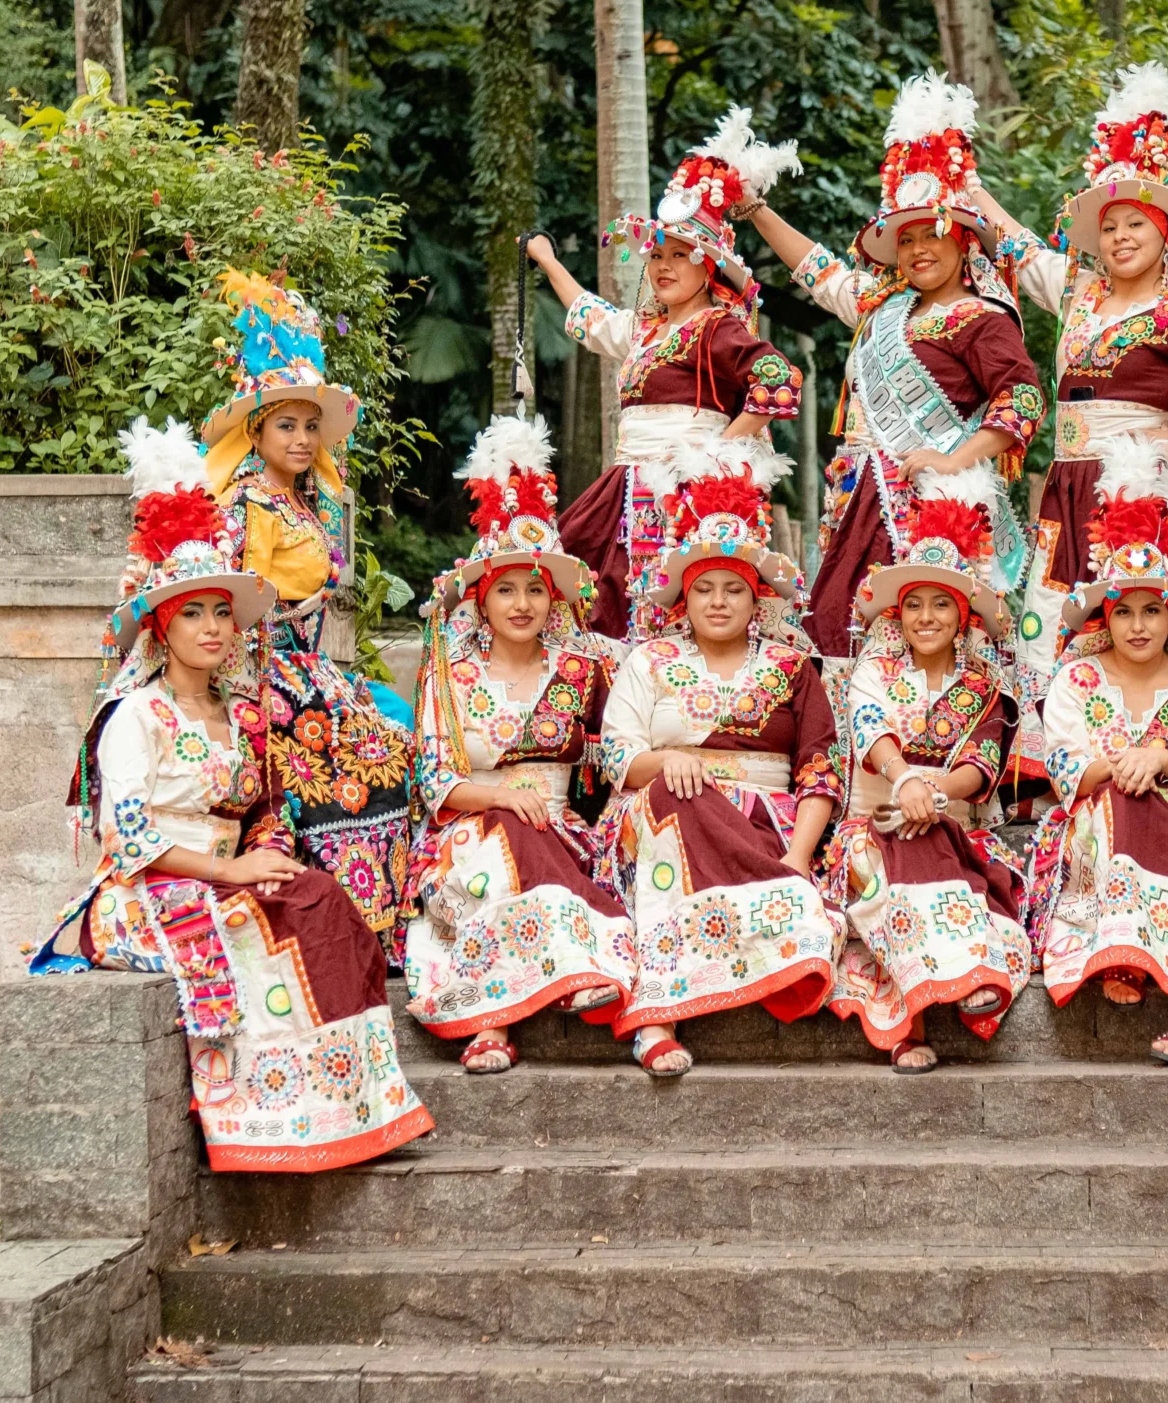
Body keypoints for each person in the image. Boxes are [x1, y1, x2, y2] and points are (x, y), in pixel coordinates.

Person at [32, 419, 432, 1171]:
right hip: (150, 891)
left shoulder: (243, 711)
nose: (214, 627)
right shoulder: (133, 715)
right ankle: (265, 1121)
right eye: (193, 612)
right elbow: (127, 835)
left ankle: (351, 1107)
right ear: (160, 624)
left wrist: (271, 856)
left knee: (321, 904)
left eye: (222, 610)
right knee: (258, 942)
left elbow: (266, 813)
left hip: (228, 878)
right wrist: (229, 872)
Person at [971, 63, 1168, 688]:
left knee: (1144, 621)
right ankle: (1061, 759)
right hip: (1070, 483)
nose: (1119, 236)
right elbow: (1018, 245)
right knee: (1057, 618)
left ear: (1165, 234)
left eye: (1135, 223)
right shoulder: (1079, 291)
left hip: (1148, 485)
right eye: (1107, 227)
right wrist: (963, 181)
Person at [741, 74, 1044, 666]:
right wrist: (755, 211)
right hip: (858, 496)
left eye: (932, 234)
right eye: (904, 240)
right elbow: (818, 270)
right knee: (838, 623)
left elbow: (1024, 401)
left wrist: (955, 458)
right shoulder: (882, 306)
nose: (917, 250)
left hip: (930, 502)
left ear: (964, 243)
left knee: (919, 637)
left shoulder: (981, 317)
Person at [596, 446, 845, 1076]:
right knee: (670, 803)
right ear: (682, 596)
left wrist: (795, 858)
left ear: (756, 597)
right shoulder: (648, 661)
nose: (717, 601)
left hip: (771, 830)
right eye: (703, 587)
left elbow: (819, 769)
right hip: (667, 817)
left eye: (734, 588)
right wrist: (672, 759)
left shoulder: (792, 668)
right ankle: (657, 1018)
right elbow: (617, 754)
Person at [403, 417, 633, 1074]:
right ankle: (501, 1014)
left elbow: (606, 761)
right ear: (480, 598)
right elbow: (437, 778)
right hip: (471, 830)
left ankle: (510, 1011)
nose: (523, 601)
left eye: (536, 587)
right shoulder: (450, 675)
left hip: (564, 832)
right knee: (497, 857)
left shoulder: (585, 670)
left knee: (538, 854)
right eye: (505, 587)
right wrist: (504, 794)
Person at [525, 108, 806, 641]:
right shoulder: (645, 331)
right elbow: (591, 318)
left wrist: (718, 452)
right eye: (657, 254)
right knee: (584, 589)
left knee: (672, 611)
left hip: (686, 491)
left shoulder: (717, 327)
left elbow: (779, 380)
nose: (664, 265)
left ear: (710, 267)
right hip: (624, 487)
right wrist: (547, 262)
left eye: (681, 254)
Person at [1024, 443, 1168, 1065]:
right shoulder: (1075, 680)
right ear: (1104, 616)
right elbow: (1066, 768)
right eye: (1123, 611)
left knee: (1157, 821)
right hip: (1090, 824)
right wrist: (1126, 765)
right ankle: (1125, 951)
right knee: (1119, 805)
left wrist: (1162, 761)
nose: (1137, 625)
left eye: (1151, 611)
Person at [204, 271, 417, 962]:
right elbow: (236, 602)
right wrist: (289, 606)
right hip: (263, 676)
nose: (301, 439)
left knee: (402, 733)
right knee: (373, 755)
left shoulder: (299, 504)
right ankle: (346, 935)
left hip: (308, 666)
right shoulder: (246, 504)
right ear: (258, 431)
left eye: (308, 427)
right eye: (286, 426)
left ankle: (378, 931)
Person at [822, 469, 1032, 1071]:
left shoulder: (984, 685)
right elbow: (870, 730)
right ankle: (914, 1017)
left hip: (955, 829)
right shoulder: (872, 670)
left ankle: (939, 992)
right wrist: (907, 782)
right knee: (892, 859)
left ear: (964, 615)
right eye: (913, 604)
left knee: (936, 846)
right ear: (898, 612)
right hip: (873, 825)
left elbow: (980, 764)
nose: (927, 616)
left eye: (942, 604)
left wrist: (934, 795)